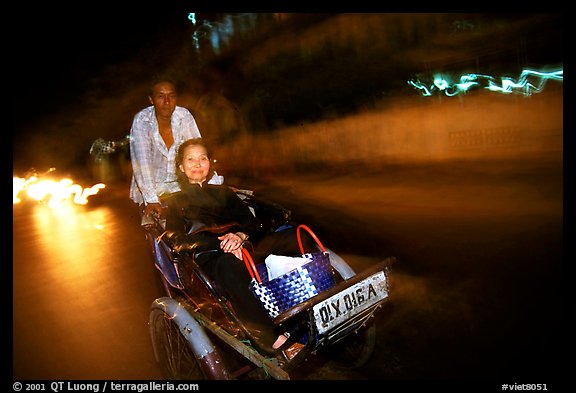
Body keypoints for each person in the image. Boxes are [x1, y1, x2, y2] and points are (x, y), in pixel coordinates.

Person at [162, 138, 316, 351]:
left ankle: (311, 303)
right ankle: (271, 337)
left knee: (295, 236)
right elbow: (177, 240)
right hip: (210, 255)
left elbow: (252, 223)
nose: (197, 164)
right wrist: (222, 244)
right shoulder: (175, 201)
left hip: (244, 244)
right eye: (190, 159)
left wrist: (240, 236)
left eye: (202, 158)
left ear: (209, 164)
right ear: (181, 167)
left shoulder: (223, 192)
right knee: (228, 264)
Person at [129, 77, 223, 223]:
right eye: (161, 96)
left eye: (171, 96)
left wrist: (217, 185)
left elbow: (199, 152)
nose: (167, 102)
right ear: (151, 99)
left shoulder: (183, 116)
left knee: (201, 218)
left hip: (180, 184)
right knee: (156, 228)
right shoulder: (142, 121)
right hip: (151, 187)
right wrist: (152, 200)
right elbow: (142, 164)